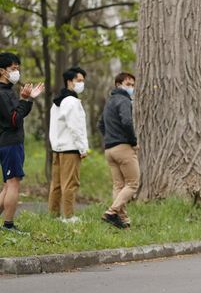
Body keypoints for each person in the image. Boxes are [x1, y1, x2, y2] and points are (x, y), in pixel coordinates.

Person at [0, 52, 44, 235]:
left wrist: (27, 99)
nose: (16, 72)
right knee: (13, 184)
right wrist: (25, 99)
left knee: (8, 185)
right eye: (13, 69)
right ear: (2, 71)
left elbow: (18, 114)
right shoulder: (3, 93)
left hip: (10, 142)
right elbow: (14, 120)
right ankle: (8, 226)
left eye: (18, 68)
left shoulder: (8, 92)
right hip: (10, 142)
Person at [48, 67, 89, 223]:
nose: (81, 84)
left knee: (57, 184)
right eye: (79, 80)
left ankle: (54, 215)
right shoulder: (71, 102)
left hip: (58, 148)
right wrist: (82, 147)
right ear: (69, 81)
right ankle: (69, 216)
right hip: (71, 148)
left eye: (83, 81)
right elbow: (75, 127)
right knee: (70, 183)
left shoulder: (57, 102)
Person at [98, 72, 138, 229]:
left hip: (109, 149)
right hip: (123, 147)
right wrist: (132, 142)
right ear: (118, 84)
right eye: (128, 84)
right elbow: (127, 122)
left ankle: (123, 221)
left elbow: (100, 124)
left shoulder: (110, 102)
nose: (131, 88)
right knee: (133, 184)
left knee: (118, 186)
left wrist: (109, 138)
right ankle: (111, 212)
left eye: (133, 85)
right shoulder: (123, 100)